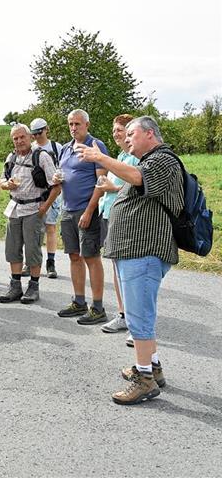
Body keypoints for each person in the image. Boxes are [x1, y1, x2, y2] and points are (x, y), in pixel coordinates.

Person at [77, 116, 183, 405]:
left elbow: (138, 178)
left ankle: (145, 380)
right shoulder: (147, 161)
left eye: (132, 134)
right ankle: (153, 366)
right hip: (134, 251)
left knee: (139, 316)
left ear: (150, 134)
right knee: (139, 313)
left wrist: (100, 157)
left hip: (145, 251)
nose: (127, 139)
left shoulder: (163, 160)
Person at [56, 109, 110, 324]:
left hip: (87, 209)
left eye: (77, 124)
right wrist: (56, 179)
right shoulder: (66, 149)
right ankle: (79, 302)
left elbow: (102, 181)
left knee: (91, 257)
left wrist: (89, 211)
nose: (73, 128)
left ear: (87, 124)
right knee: (74, 256)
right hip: (67, 209)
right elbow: (63, 175)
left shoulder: (95, 146)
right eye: (70, 124)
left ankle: (98, 307)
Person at [0, 124, 61, 304]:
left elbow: (56, 186)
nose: (19, 141)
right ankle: (15, 286)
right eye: (15, 138)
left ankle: (33, 287)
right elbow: (1, 181)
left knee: (32, 250)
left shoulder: (41, 156)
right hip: (15, 208)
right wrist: (6, 184)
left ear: (30, 137)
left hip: (34, 209)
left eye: (22, 137)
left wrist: (45, 207)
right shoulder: (11, 157)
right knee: (12, 248)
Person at [98, 115, 140, 340]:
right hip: (109, 214)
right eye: (114, 130)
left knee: (128, 271)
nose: (116, 133)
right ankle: (124, 314)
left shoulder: (135, 158)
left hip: (126, 218)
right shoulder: (121, 156)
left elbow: (134, 183)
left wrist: (112, 187)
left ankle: (136, 324)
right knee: (116, 267)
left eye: (120, 130)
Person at [29, 118, 64, 278]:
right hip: (35, 194)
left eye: (39, 132)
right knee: (33, 231)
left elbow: (64, 169)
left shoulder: (57, 147)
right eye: (34, 134)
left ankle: (51, 263)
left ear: (46, 129)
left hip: (53, 192)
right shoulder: (31, 149)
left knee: (50, 228)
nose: (37, 136)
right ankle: (30, 262)